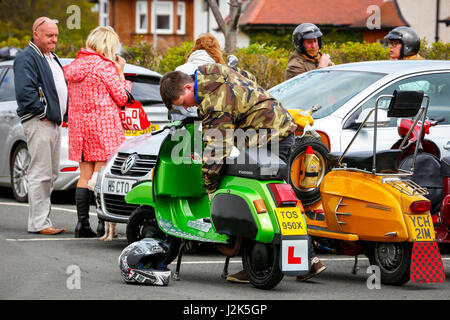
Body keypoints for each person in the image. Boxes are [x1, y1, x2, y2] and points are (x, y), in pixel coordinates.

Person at [159, 64, 326, 283]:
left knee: (264, 203)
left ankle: (265, 264)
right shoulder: (213, 70)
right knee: (278, 203)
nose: (189, 108)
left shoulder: (213, 102)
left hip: (266, 139)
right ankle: (307, 262)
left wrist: (210, 188)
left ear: (189, 87)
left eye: (184, 102)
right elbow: (250, 76)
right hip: (279, 129)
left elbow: (216, 148)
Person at [63, 26, 131, 238]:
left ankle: (82, 225)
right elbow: (122, 98)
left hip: (80, 128)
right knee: (101, 177)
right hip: (103, 127)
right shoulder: (105, 67)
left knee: (84, 177)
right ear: (107, 45)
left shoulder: (75, 66)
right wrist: (121, 72)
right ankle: (103, 224)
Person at [14, 17, 68, 235]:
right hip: (40, 121)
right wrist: (44, 112)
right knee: (41, 172)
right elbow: (25, 92)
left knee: (51, 172)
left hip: (53, 122)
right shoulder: (27, 57)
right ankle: (39, 223)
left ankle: (42, 220)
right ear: (36, 33)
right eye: (49, 35)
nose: (54, 39)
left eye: (55, 35)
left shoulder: (50, 57)